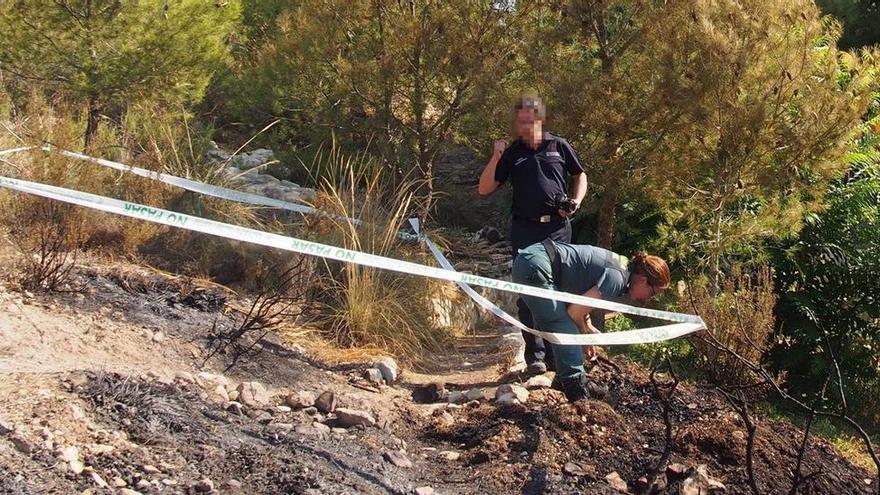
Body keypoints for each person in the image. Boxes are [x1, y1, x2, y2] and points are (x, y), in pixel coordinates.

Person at [478, 94, 587, 376]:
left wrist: (575, 202)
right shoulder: (513, 152)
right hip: (526, 230)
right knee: (527, 292)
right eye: (521, 121)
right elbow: (485, 188)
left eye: (530, 120)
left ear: (540, 119)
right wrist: (496, 155)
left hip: (557, 229)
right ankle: (535, 356)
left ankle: (558, 357)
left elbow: (580, 175)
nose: (525, 126)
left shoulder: (558, 145)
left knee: (559, 291)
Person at [511, 240, 671, 401]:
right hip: (535, 265)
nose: (647, 300)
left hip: (536, 260)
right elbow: (574, 312)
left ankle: (563, 381)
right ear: (643, 280)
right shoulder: (617, 279)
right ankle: (577, 392)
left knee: (567, 327)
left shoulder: (623, 270)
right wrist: (584, 337)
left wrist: (586, 326)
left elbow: (581, 298)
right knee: (564, 328)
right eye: (652, 294)